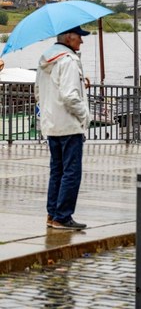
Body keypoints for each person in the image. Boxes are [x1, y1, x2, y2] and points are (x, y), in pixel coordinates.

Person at [35, 26, 91, 230]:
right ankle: (63, 216)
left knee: (57, 170)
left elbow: (38, 92)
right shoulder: (67, 61)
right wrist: (84, 115)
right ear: (69, 38)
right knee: (71, 172)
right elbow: (69, 96)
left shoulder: (45, 60)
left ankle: (52, 214)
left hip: (51, 124)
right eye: (79, 38)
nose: (82, 42)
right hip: (69, 125)